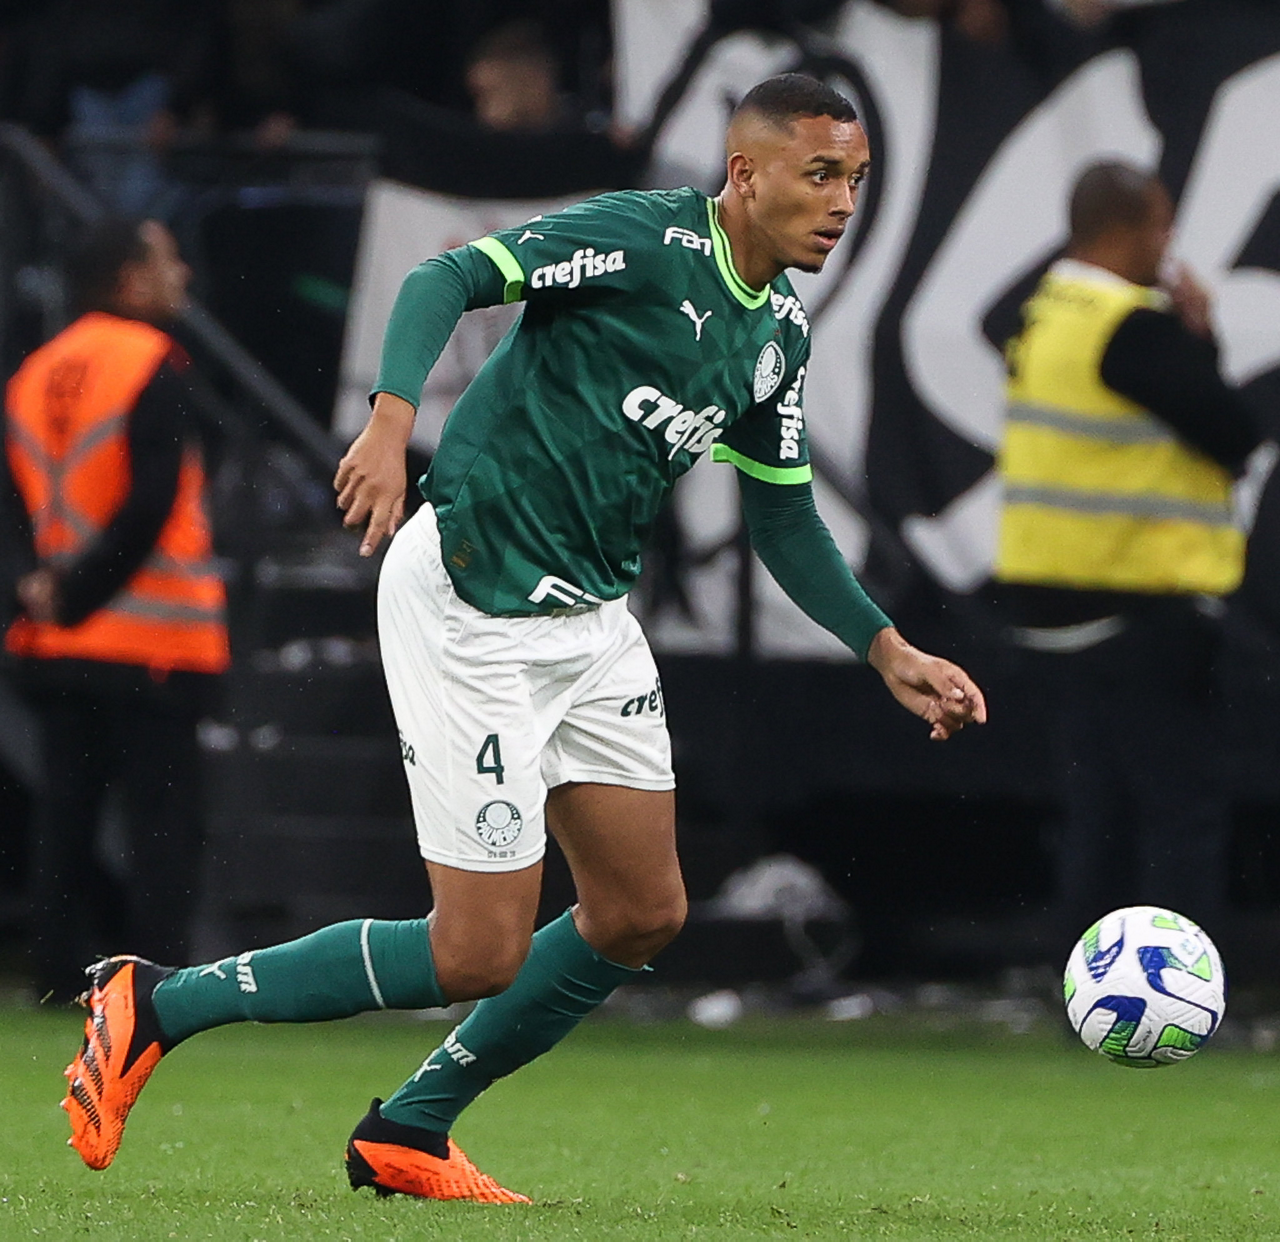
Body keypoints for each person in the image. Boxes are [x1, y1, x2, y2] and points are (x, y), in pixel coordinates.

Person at [61, 74, 986, 1203]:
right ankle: (157, 1001)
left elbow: (783, 517)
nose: (842, 202)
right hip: (471, 599)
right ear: (745, 174)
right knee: (476, 952)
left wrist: (886, 648)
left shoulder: (775, 335)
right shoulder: (641, 240)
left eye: (856, 179)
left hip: (590, 623)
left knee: (642, 912)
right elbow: (443, 276)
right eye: (821, 174)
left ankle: (409, 1127)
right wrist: (390, 423)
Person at [990, 161, 1262, 942]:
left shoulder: (1044, 311)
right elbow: (1233, 432)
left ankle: (1087, 982)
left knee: (1098, 814)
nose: (1168, 244)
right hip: (1138, 602)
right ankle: (1176, 985)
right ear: (1125, 229)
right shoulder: (1133, 327)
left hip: (1053, 604)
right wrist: (1200, 337)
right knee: (1180, 813)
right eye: (1161, 226)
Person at [2, 218, 228, 1000]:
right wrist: (86, 592)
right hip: (153, 639)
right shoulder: (150, 360)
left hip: (57, 642)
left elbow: (17, 505)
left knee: (64, 818)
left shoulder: (34, 372)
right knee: (164, 824)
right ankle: (160, 983)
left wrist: (45, 591)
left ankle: (55, 974)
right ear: (130, 279)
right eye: (168, 261)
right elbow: (152, 502)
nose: (182, 275)